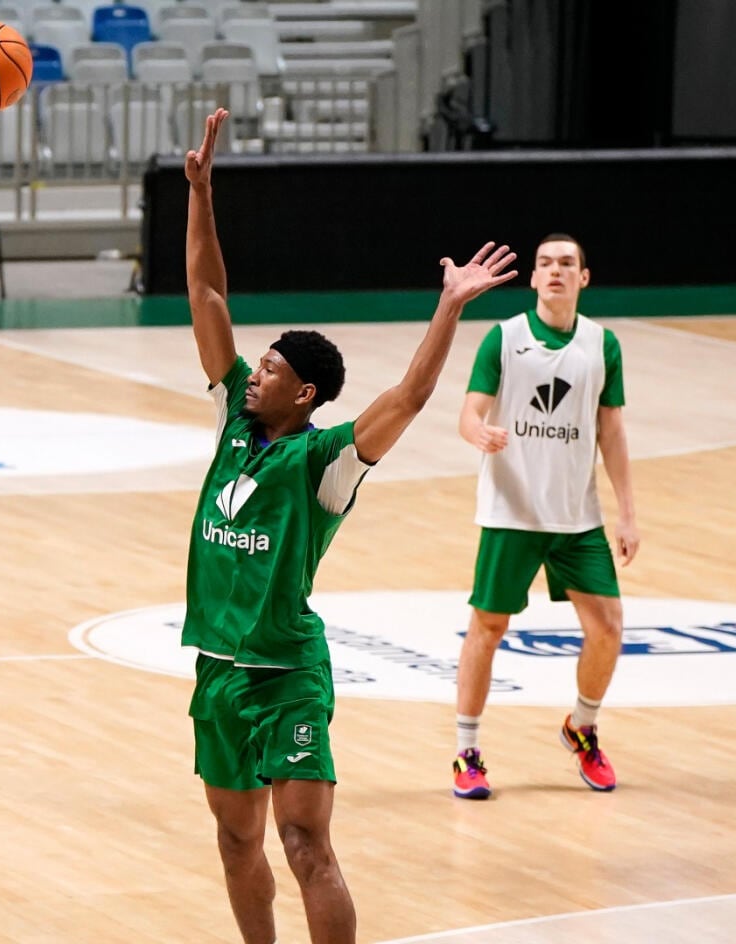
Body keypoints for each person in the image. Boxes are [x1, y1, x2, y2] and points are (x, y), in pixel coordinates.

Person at [180, 108, 517, 944]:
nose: (251, 372)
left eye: (269, 369)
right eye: (255, 364)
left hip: (286, 673)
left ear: (305, 394)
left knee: (305, 845)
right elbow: (207, 291)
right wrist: (201, 193)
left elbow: (407, 398)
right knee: (235, 840)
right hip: (216, 671)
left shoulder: (327, 461)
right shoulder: (232, 422)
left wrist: (450, 307)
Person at [450, 233, 639, 800]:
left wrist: (628, 514)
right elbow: (469, 409)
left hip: (577, 517)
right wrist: (476, 432)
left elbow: (612, 430)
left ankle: (582, 728)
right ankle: (467, 751)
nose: (555, 271)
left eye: (567, 264)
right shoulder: (504, 339)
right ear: (532, 278)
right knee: (489, 627)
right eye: (545, 264)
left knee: (608, 627)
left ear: (584, 278)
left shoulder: (602, 345)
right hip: (511, 511)